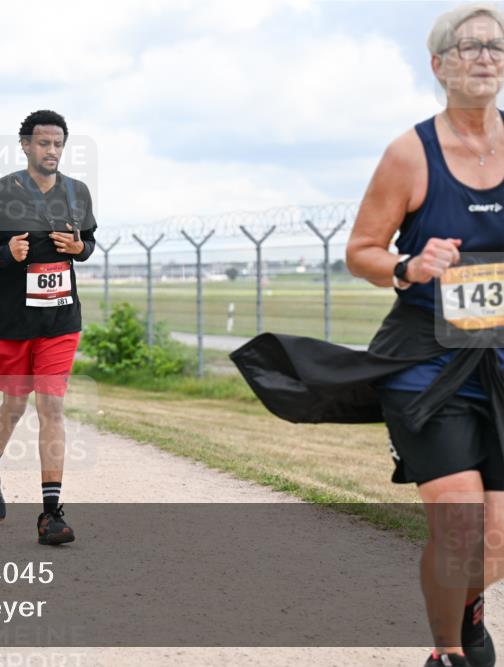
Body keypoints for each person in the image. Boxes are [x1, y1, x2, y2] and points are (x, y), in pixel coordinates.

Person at [233, 7, 504, 667]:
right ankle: (447, 653)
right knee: (459, 521)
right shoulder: (410, 154)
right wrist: (409, 266)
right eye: (468, 46)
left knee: (493, 541)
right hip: (424, 360)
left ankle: (466, 605)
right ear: (438, 66)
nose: (485, 55)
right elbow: (360, 251)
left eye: (495, 45)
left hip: (496, 358)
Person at [0, 109, 97, 546]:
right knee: (14, 404)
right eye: (43, 143)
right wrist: (3, 255)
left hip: (60, 318)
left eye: (58, 144)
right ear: (26, 145)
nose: (51, 151)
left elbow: (87, 240)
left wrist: (80, 248)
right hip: (13, 321)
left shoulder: (77, 193)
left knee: (51, 406)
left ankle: (51, 514)